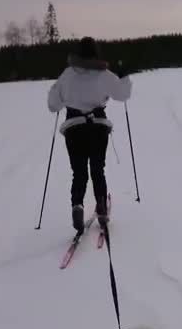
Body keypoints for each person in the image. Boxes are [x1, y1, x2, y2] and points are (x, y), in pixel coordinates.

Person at [46, 37, 133, 233]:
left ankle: (77, 205)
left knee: (79, 172)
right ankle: (101, 206)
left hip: (74, 128)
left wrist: (59, 94)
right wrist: (124, 76)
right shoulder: (105, 74)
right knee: (97, 169)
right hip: (98, 127)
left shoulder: (67, 74)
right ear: (96, 53)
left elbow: (53, 105)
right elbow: (123, 95)